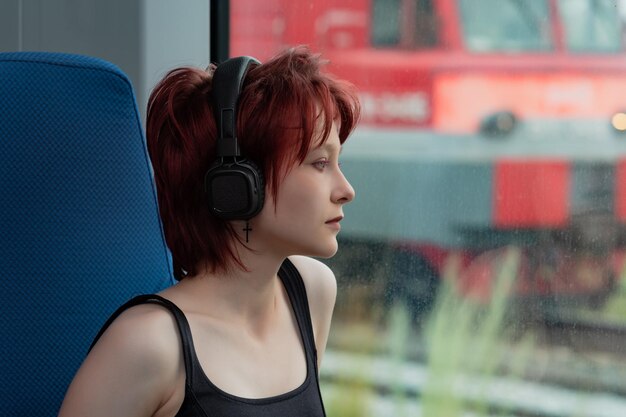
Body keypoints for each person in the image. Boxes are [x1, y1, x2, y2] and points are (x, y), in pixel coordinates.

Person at [58, 45, 360, 416]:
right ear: (235, 185)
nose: (346, 190)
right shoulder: (148, 345)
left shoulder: (312, 291)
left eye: (337, 161)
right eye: (319, 163)